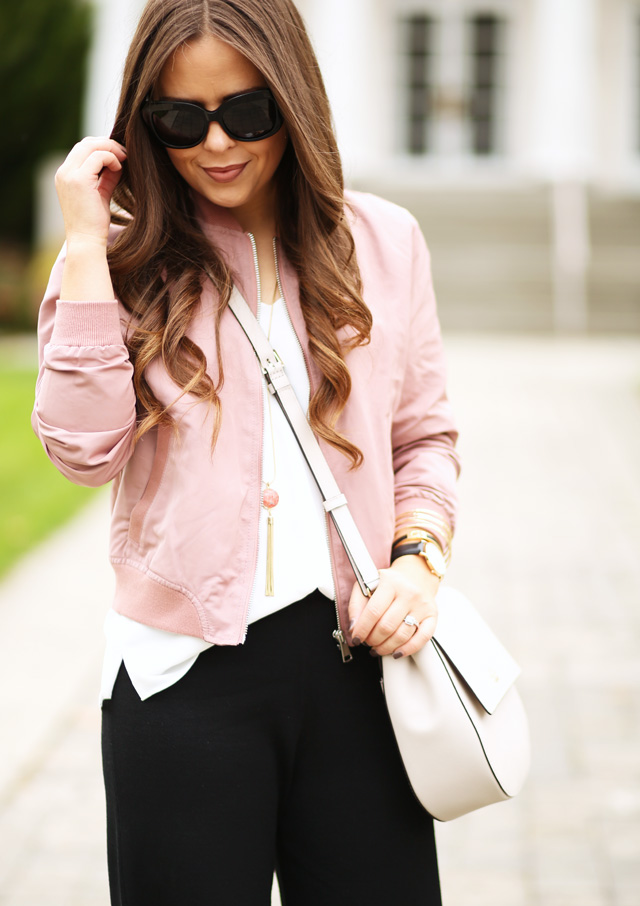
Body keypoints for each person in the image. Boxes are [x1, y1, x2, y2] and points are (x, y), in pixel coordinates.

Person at [32, 0, 460, 903]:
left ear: (292, 100)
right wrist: (81, 244)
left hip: (360, 674)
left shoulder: (382, 244)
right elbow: (80, 449)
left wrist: (419, 563)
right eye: (181, 120)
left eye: (247, 112)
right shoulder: (118, 259)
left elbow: (423, 437)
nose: (216, 143)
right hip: (180, 682)